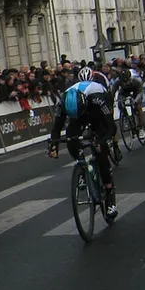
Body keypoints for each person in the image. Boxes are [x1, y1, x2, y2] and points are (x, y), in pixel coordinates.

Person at [47, 77, 118, 218]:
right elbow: (56, 129)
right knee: (71, 139)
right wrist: (53, 145)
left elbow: (111, 127)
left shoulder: (98, 97)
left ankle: (110, 196)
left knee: (101, 152)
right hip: (77, 115)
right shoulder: (63, 102)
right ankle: (83, 167)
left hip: (97, 112)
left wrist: (102, 141)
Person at [110, 61, 145, 132]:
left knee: (138, 107)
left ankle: (141, 127)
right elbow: (113, 92)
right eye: (124, 82)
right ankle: (126, 118)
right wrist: (112, 101)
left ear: (130, 78)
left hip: (136, 89)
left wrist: (135, 101)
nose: (126, 83)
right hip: (124, 91)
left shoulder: (136, 80)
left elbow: (140, 92)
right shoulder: (118, 81)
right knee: (120, 104)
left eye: (127, 82)